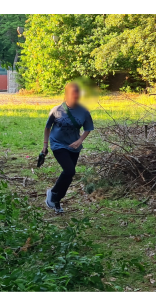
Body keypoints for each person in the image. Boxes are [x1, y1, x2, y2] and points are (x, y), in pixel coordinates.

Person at [42, 82, 94, 214]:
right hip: (58, 144)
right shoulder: (56, 110)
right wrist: (45, 146)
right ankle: (53, 192)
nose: (75, 97)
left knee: (69, 175)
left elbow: (88, 128)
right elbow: (47, 128)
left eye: (77, 95)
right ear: (66, 95)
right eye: (73, 94)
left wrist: (80, 140)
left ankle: (57, 202)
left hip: (74, 146)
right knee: (69, 171)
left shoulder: (84, 112)